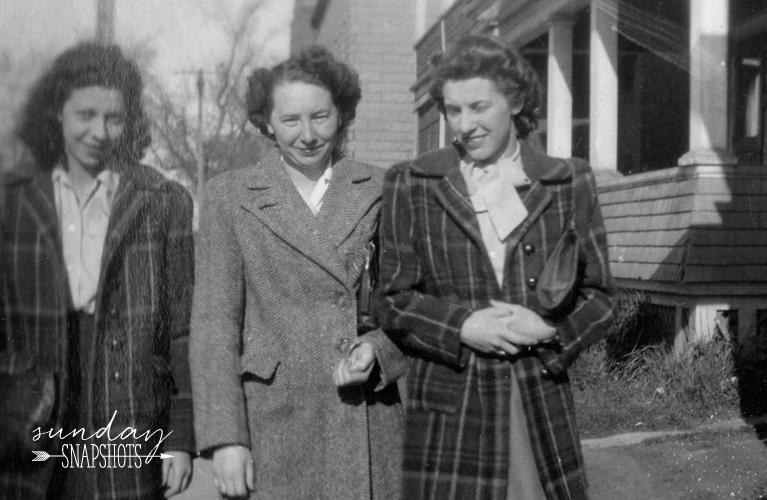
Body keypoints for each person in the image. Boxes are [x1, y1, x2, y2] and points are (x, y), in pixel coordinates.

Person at [377, 35, 617, 500]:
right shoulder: (412, 183)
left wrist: (550, 330)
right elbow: (391, 298)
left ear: (516, 101)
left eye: (479, 107)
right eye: (453, 110)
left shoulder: (568, 181)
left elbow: (601, 296)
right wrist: (462, 324)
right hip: (452, 409)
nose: (464, 125)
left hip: (537, 401)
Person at [190, 45, 405, 500]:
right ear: (267, 121)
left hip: (367, 416)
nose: (306, 135)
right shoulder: (230, 196)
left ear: (342, 115)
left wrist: (379, 352)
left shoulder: (383, 188)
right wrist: (226, 438)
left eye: (320, 117)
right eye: (290, 120)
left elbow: (410, 307)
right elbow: (214, 326)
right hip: (275, 424)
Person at [0, 42, 195, 500]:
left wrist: (181, 438)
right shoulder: (15, 202)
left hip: (127, 414)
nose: (99, 132)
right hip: (28, 419)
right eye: (84, 115)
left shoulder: (163, 202)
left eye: (114, 118)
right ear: (58, 115)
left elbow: (186, 329)